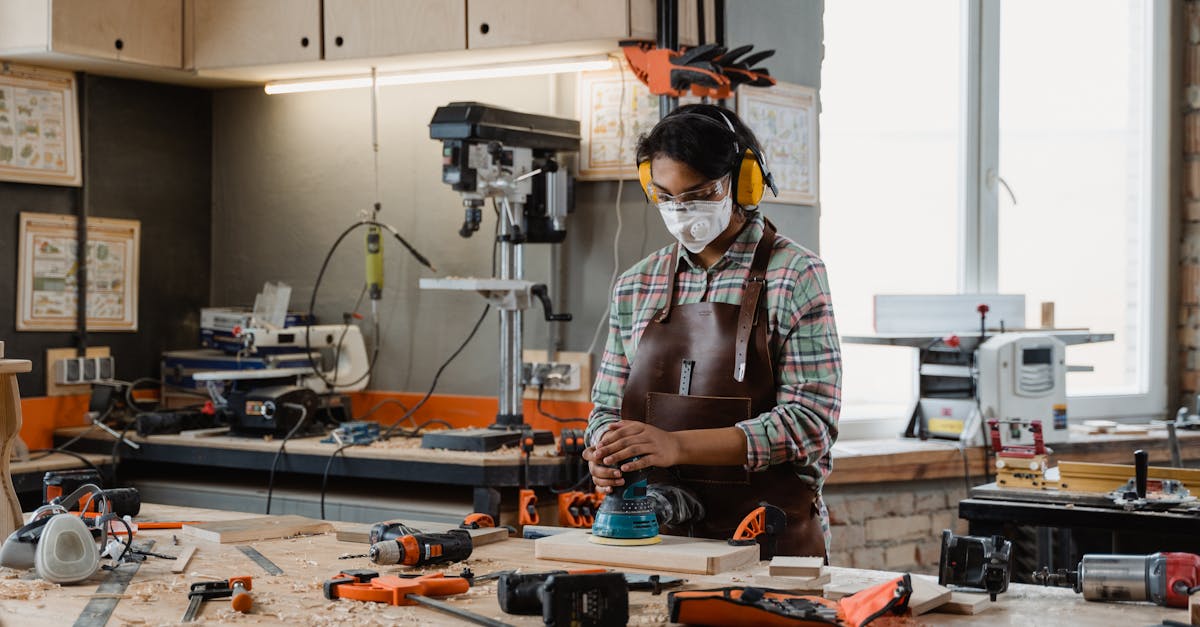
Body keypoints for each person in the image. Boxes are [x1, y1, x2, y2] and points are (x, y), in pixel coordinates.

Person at [581, 103, 842, 558]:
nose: (682, 212)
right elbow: (605, 408)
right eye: (666, 197)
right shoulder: (635, 285)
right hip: (656, 542)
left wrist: (675, 445)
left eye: (699, 194)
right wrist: (607, 448)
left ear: (743, 182)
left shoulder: (796, 275)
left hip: (770, 543)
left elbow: (810, 423)